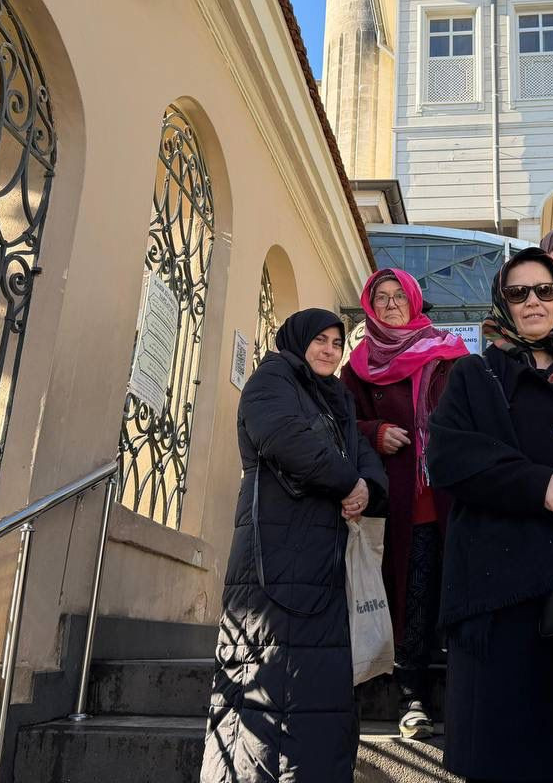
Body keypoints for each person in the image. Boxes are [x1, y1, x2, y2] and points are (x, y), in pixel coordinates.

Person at [428, 246, 553, 783]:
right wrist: (540, 485)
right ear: (502, 301)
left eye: (545, 290)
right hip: (496, 596)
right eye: (518, 292)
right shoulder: (474, 374)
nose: (533, 301)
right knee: (502, 752)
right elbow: (448, 458)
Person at [202, 310, 388, 783]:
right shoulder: (272, 380)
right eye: (320, 340)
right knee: (266, 690)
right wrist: (349, 482)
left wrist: (367, 486)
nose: (329, 350)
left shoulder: (336, 398)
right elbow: (285, 437)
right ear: (298, 340)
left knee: (318, 699)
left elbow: (365, 456)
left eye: (337, 343)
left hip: (324, 569)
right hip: (275, 566)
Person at [340, 267, 468, 739]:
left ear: (414, 300)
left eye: (399, 296)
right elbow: (341, 423)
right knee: (410, 594)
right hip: (399, 500)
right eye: (381, 297)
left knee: (452, 589)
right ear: (370, 307)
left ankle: (467, 696)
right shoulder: (358, 366)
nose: (391, 304)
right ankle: (411, 694)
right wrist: (374, 432)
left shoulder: (449, 352)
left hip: (452, 495)